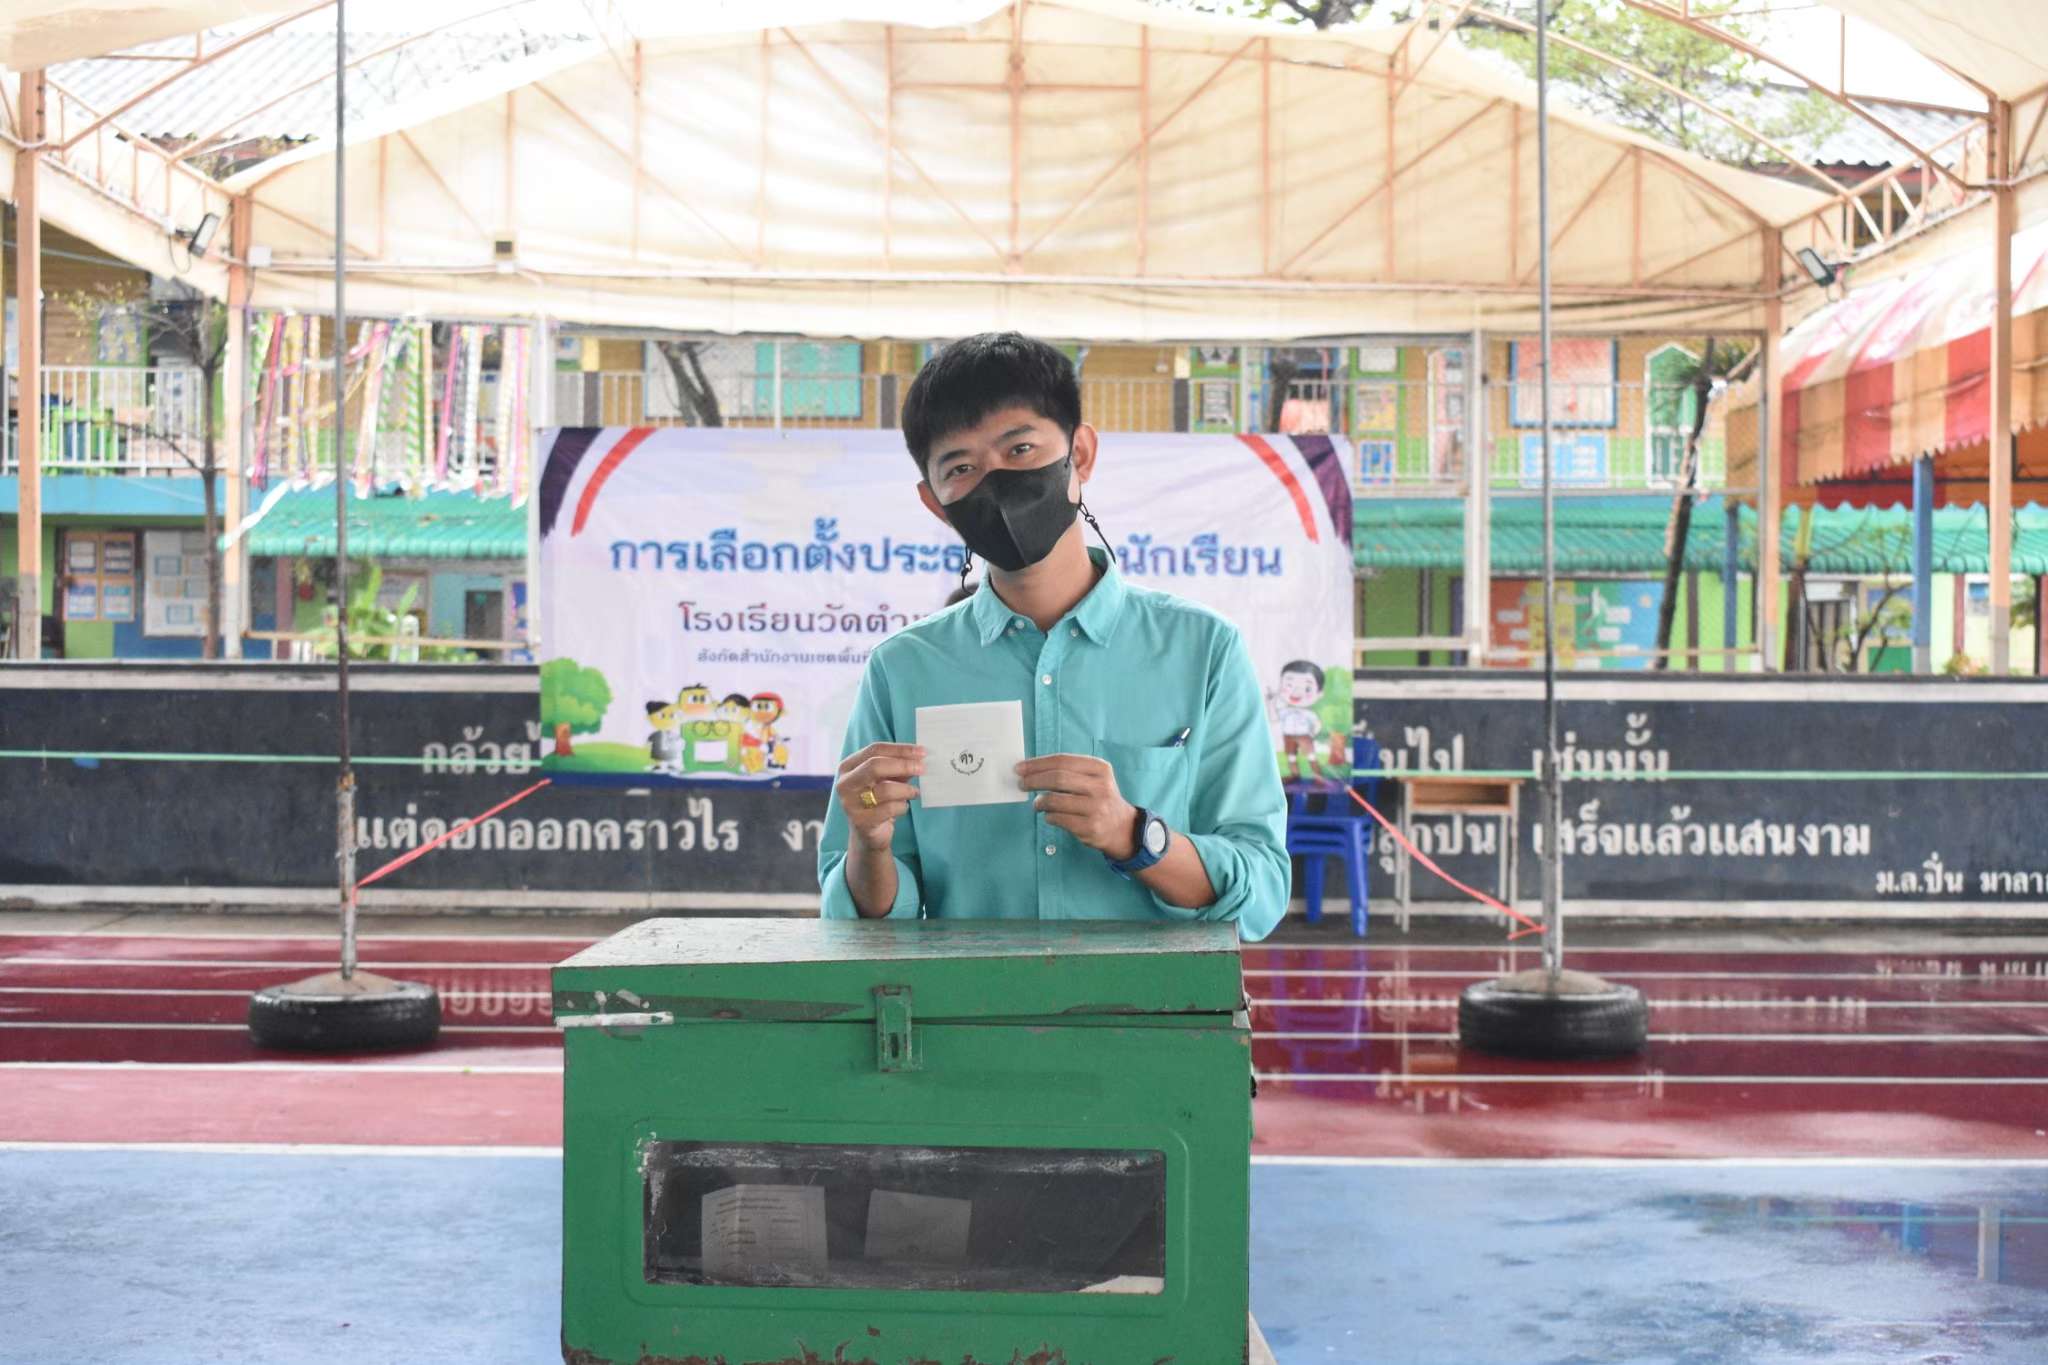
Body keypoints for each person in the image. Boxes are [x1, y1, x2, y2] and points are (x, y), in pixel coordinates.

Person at [817, 332, 1288, 940]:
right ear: (936, 503)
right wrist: (870, 844)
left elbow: (1260, 891)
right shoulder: (904, 668)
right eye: (961, 468)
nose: (995, 482)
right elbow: (860, 920)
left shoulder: (1203, 651)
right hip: (964, 1001)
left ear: (1080, 454)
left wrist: (1133, 835)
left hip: (1156, 1002)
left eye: (1020, 449)